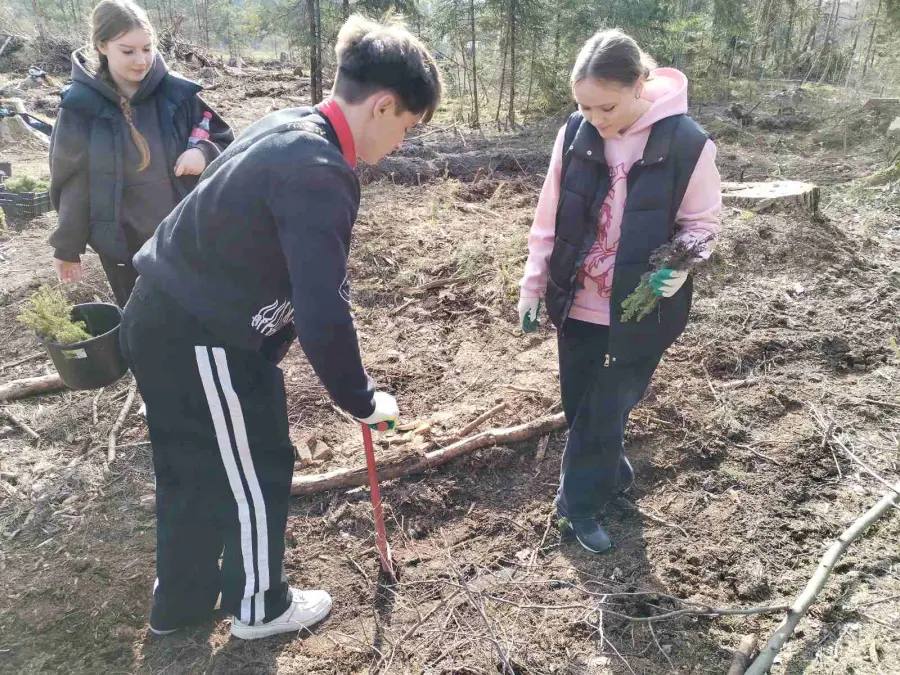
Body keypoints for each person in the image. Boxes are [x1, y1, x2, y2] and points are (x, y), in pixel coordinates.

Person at [119, 15, 442, 640]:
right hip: (203, 336)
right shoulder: (320, 169)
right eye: (407, 127)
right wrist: (361, 399)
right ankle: (261, 605)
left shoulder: (290, 127)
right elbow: (321, 305)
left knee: (194, 465)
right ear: (383, 105)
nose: (401, 142)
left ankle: (181, 602)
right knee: (257, 464)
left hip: (164, 318)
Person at [517, 29, 721, 554]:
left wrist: (674, 270)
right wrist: (533, 284)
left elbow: (702, 227)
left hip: (640, 310)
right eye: (583, 107)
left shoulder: (687, 144)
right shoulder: (575, 133)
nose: (595, 120)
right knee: (578, 404)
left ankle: (576, 508)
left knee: (605, 407)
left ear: (640, 85)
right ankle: (612, 470)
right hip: (577, 300)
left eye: (605, 107)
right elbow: (549, 216)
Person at [48, 0, 233, 306]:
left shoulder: (176, 95)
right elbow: (71, 182)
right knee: (142, 319)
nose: (141, 60)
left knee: (195, 313)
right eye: (128, 50)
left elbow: (224, 139)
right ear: (102, 46)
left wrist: (203, 152)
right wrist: (67, 246)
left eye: (147, 48)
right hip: (122, 246)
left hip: (183, 234)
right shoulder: (80, 108)